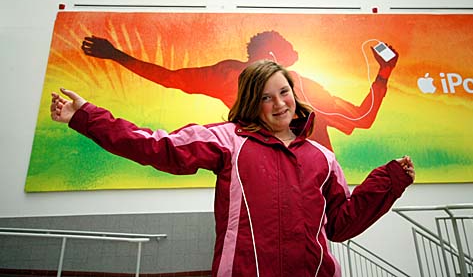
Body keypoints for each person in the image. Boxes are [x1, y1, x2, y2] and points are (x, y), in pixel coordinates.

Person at [50, 60, 415, 276]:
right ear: (250, 104)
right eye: (265, 97)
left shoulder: (322, 157)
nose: (278, 104)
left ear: (294, 92)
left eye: (283, 92)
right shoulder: (227, 141)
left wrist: (390, 181)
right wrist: (86, 117)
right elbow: (157, 146)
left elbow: (340, 225)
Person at [81, 31, 398, 150]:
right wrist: (116, 55)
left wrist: (384, 72)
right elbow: (171, 78)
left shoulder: (306, 86)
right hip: (259, 176)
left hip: (313, 184)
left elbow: (360, 118)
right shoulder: (232, 74)